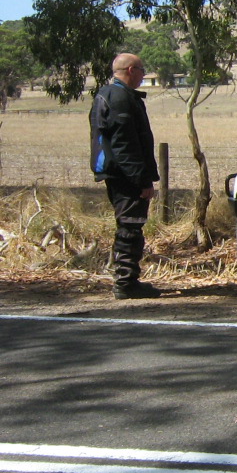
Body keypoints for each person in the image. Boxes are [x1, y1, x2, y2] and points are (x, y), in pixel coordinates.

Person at [90, 53, 161, 299]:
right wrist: (142, 180)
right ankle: (126, 282)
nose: (143, 75)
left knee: (128, 225)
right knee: (130, 226)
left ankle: (126, 279)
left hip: (119, 173)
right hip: (125, 176)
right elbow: (124, 145)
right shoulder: (120, 98)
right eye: (142, 70)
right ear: (131, 70)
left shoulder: (110, 94)